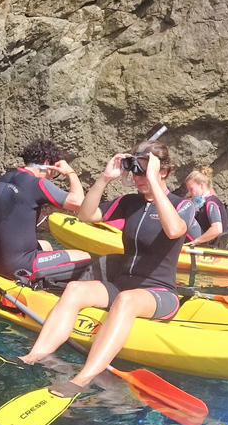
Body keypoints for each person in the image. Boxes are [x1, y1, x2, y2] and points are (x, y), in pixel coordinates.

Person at [16, 139, 194, 397]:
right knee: (76, 289)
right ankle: (34, 356)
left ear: (163, 171)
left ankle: (82, 379)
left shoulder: (182, 205)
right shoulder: (129, 203)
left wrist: (154, 182)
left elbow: (175, 230)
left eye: (144, 170)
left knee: (125, 299)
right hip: (124, 285)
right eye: (135, 170)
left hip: (159, 293)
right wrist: (104, 179)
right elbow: (86, 216)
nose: (138, 177)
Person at [0, 139, 91, 283]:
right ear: (46, 163)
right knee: (85, 256)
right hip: (18, 266)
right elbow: (79, 202)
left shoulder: (6, 177)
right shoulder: (37, 184)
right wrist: (71, 173)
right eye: (53, 172)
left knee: (46, 245)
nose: (51, 176)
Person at [184, 166, 228, 245]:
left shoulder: (210, 203)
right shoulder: (210, 199)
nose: (189, 193)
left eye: (191, 189)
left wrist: (196, 241)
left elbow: (217, 229)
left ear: (201, 185)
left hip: (211, 246)